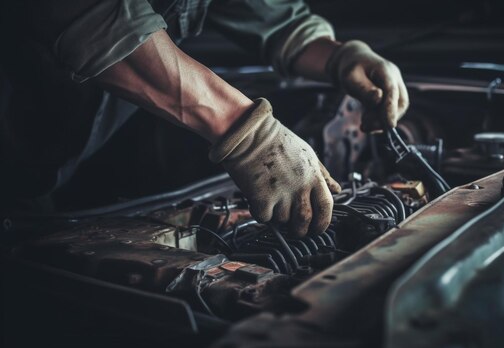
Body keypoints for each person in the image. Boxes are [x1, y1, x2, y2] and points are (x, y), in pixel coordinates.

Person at [0, 0, 409, 237]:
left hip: (44, 163)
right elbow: (97, 19)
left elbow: (272, 17)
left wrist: (339, 56)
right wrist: (250, 135)